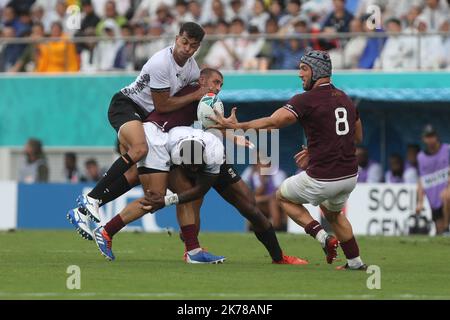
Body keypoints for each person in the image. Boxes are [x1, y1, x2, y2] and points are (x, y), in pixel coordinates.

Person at [69, 68, 305, 265]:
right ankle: (188, 248)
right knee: (158, 194)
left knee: (249, 205)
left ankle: (277, 257)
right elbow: (205, 120)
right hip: (169, 147)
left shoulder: (204, 102)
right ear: (201, 80)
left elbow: (212, 125)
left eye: (222, 84)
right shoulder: (195, 94)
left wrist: (235, 134)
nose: (219, 87)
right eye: (216, 81)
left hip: (201, 151)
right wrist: (234, 132)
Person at [213, 50, 367, 270]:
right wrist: (317, 149)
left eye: (304, 68)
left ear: (317, 71)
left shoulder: (305, 100)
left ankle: (323, 238)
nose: (300, 74)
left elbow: (273, 122)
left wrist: (237, 126)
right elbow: (356, 137)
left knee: (283, 197)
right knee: (334, 214)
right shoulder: (346, 99)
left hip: (324, 176)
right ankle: (355, 262)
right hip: (350, 175)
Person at [76, 22, 210, 224]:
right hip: (126, 105)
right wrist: (194, 96)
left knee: (133, 175)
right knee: (139, 149)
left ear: (198, 47)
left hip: (146, 116)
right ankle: (90, 198)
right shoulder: (161, 63)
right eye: (184, 42)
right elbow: (163, 105)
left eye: (193, 46)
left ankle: (87, 209)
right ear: (176, 39)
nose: (187, 49)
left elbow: (193, 104)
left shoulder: (192, 69)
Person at [416, 125, 450, 235]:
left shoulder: (447, 150)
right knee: (440, 234)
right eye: (428, 137)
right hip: (434, 199)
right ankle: (443, 231)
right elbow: (422, 180)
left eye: (432, 136)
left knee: (447, 197)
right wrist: (420, 203)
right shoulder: (421, 157)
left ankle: (446, 228)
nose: (430, 139)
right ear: (424, 139)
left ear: (437, 137)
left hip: (446, 194)